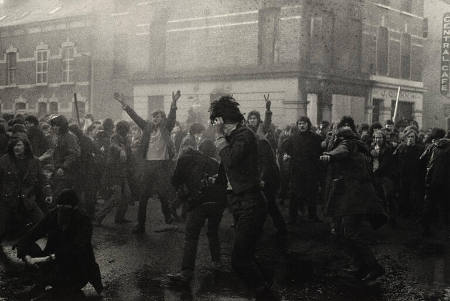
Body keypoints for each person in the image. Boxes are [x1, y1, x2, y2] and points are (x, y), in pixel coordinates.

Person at [210, 96, 278, 301]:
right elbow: (229, 167)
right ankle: (267, 287)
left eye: (223, 125)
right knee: (247, 255)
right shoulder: (235, 136)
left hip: (252, 202)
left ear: (227, 122)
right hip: (240, 202)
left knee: (239, 260)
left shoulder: (244, 135)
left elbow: (230, 159)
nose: (222, 130)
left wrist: (219, 136)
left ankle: (266, 295)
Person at [321, 116, 386, 283]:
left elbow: (341, 151)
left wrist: (329, 155)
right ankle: (359, 265)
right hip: (356, 195)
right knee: (346, 231)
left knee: (350, 232)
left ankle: (374, 267)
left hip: (356, 196)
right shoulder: (359, 145)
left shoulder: (348, 143)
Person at [15, 189, 103, 299]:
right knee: (30, 248)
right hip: (55, 263)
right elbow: (33, 233)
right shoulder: (53, 215)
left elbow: (75, 250)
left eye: (65, 209)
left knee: (62, 290)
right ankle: (44, 282)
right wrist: (25, 252)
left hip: (76, 269)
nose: (61, 213)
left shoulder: (83, 220)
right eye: (59, 207)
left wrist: (45, 259)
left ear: (74, 209)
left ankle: (59, 287)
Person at [115, 91, 181, 233]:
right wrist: (123, 103)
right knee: (144, 195)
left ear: (163, 118)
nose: (155, 118)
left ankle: (168, 216)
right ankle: (141, 225)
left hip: (161, 166)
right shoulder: (147, 127)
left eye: (158, 116)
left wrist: (174, 103)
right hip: (148, 165)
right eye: (154, 116)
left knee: (163, 193)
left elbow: (172, 117)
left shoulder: (167, 127)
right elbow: (134, 116)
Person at [167, 139, 227, 285]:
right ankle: (216, 262)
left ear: (198, 148)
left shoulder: (186, 159)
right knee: (212, 232)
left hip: (199, 202)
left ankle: (186, 272)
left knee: (191, 237)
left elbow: (174, 181)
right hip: (218, 203)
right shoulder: (217, 164)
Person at [0, 136, 51, 245]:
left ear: (25, 146)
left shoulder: (34, 161)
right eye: (14, 145)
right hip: (8, 201)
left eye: (19, 145)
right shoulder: (4, 160)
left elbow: (42, 178)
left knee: (44, 224)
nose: (15, 148)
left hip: (27, 200)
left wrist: (48, 194)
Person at [280, 116, 322, 223]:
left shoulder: (316, 138)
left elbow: (320, 152)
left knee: (312, 194)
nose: (302, 126)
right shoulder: (293, 138)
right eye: (299, 124)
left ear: (308, 124)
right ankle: (292, 217)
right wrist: (286, 155)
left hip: (311, 170)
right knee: (294, 194)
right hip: (297, 170)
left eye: (304, 123)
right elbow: (285, 149)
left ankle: (312, 215)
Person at [96, 121, 133, 225]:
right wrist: (121, 150)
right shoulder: (115, 137)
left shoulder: (125, 139)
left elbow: (129, 154)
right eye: (125, 130)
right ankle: (99, 217)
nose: (126, 132)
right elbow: (113, 145)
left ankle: (119, 218)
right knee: (117, 197)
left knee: (127, 195)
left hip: (122, 172)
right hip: (114, 172)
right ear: (121, 129)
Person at [69, 124, 103, 219]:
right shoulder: (84, 140)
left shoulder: (83, 140)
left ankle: (87, 213)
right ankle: (85, 213)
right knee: (84, 193)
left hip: (86, 170)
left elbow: (97, 152)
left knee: (86, 193)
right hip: (84, 170)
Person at [420, 128, 450, 236]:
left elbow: (421, 160)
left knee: (429, 204)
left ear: (433, 137)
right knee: (444, 205)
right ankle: (444, 229)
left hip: (432, 180)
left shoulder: (431, 147)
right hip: (446, 181)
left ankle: (425, 228)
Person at [49, 115, 81, 197]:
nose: (54, 128)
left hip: (67, 172)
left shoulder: (69, 137)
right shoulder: (58, 136)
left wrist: (63, 167)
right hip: (58, 170)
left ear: (62, 126)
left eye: (57, 125)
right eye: (53, 125)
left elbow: (74, 154)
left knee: (60, 195)